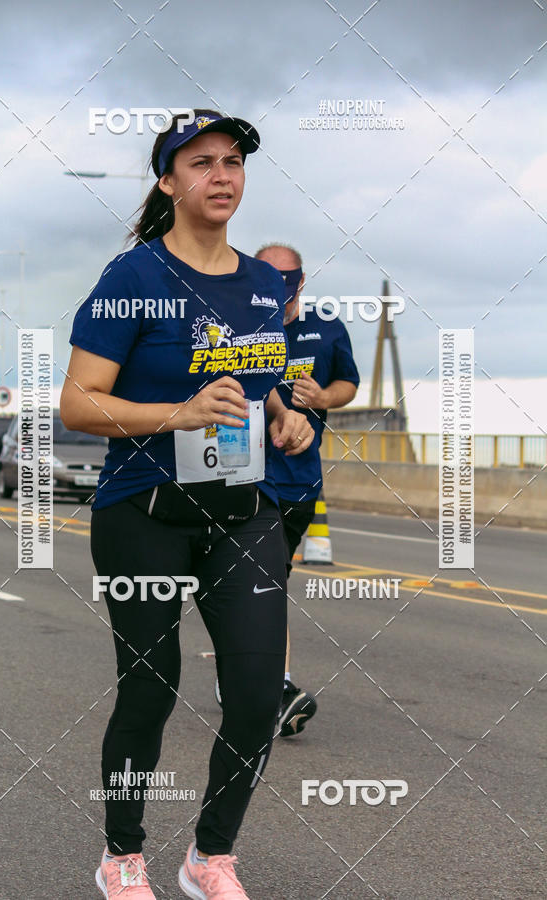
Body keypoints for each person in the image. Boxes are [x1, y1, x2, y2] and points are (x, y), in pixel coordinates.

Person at [60, 109, 314, 900]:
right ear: (168, 181)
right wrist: (178, 414)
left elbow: (258, 382)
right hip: (145, 514)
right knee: (152, 685)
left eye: (233, 160)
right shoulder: (132, 278)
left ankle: (210, 857)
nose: (222, 174)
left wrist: (284, 416)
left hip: (245, 510)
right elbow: (77, 403)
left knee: (252, 694)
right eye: (201, 161)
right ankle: (122, 854)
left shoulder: (266, 283)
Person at [255, 243, 360, 737]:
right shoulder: (241, 323)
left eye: (287, 276)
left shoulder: (328, 326)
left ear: (301, 279)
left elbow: (348, 385)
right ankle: (275, 687)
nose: (278, 285)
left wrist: (323, 396)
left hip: (299, 478)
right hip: (245, 476)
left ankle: (247, 677)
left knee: (275, 579)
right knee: (265, 581)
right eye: (267, 275)